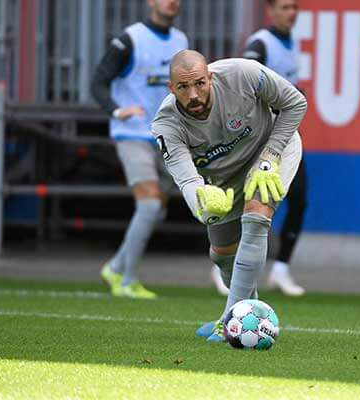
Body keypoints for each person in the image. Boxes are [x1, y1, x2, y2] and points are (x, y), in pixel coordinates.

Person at [152, 50, 306, 341]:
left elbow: (295, 103)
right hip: (223, 176)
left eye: (200, 83)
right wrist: (202, 199)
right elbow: (186, 178)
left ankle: (227, 321)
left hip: (270, 152)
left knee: (256, 215)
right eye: (183, 87)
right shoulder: (166, 124)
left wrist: (270, 156)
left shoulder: (244, 74)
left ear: (210, 76)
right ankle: (246, 320)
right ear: (171, 89)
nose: (193, 94)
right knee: (222, 254)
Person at [90, 0, 187, 299]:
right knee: (148, 206)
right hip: (132, 134)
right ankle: (128, 281)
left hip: (167, 137)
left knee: (156, 211)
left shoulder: (181, 41)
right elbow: (98, 82)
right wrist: (116, 110)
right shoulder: (130, 38)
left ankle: (116, 267)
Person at [210, 0, 306, 297]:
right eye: (285, 7)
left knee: (299, 199)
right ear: (271, 10)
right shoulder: (260, 44)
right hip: (257, 139)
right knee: (248, 205)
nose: (291, 12)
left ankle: (280, 270)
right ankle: (225, 263)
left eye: (294, 7)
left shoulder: (292, 44)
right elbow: (248, 85)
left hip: (282, 136)